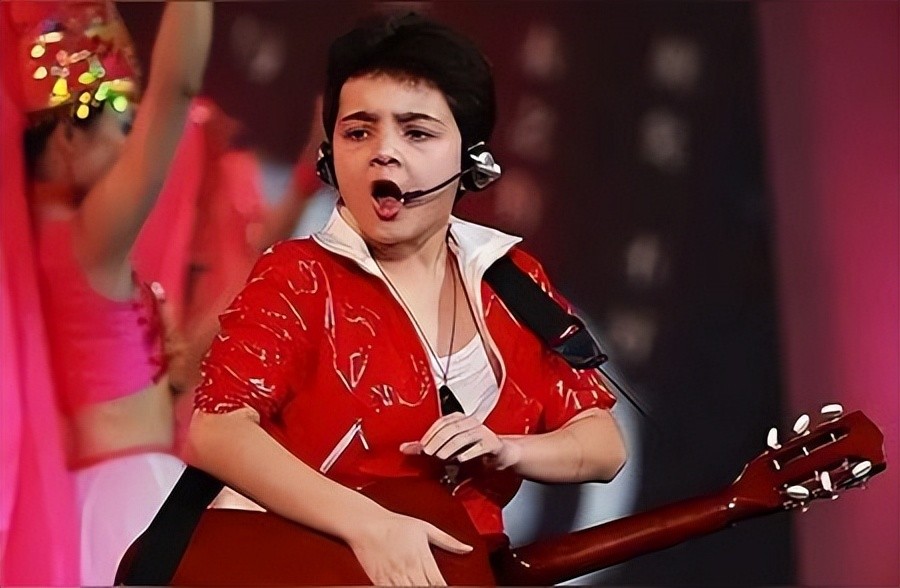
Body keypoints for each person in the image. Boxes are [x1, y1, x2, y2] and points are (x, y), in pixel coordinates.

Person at [185, 12, 626, 586]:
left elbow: (602, 444)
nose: (384, 152)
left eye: (416, 133)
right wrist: (370, 527)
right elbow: (216, 431)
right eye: (358, 132)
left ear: (472, 157)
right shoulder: (298, 276)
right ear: (330, 154)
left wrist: (506, 450)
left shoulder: (512, 279)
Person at [20, 1, 212, 584]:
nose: (134, 149)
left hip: (101, 496)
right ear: (67, 137)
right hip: (131, 499)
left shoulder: (49, 242)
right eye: (123, 128)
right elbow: (176, 91)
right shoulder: (83, 240)